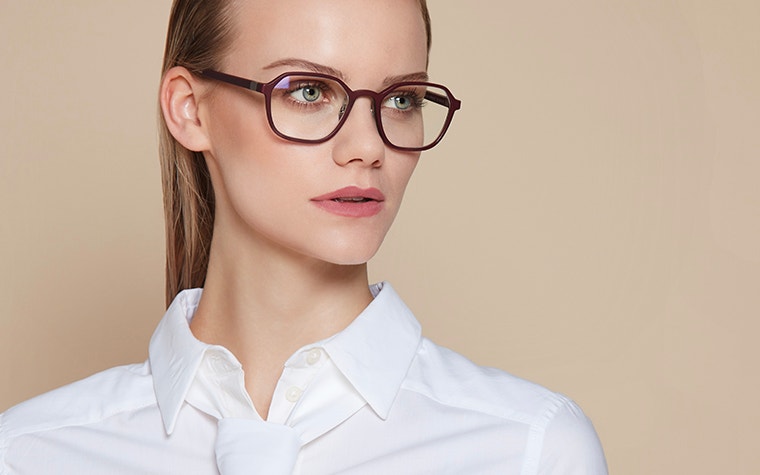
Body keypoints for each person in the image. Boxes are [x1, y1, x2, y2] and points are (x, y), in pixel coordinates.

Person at [0, 0, 607, 473]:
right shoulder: (31, 455)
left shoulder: (528, 451)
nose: (368, 146)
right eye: (309, 91)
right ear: (190, 109)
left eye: (401, 99)